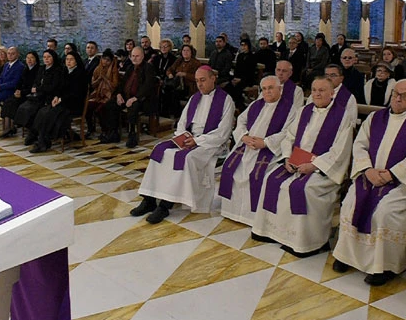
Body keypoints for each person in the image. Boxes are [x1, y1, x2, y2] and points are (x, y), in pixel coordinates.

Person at [333, 80, 406, 285]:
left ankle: (384, 267)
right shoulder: (375, 117)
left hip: (399, 183)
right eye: (396, 93)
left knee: (384, 212)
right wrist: (367, 170)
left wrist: (391, 174)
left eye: (405, 96)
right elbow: (360, 145)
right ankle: (346, 256)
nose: (397, 98)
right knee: (350, 204)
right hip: (368, 177)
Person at [251, 76, 355, 257]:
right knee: (271, 180)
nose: (317, 93)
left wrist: (314, 166)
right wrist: (286, 157)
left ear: (332, 93)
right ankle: (272, 232)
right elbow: (289, 137)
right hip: (295, 162)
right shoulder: (303, 111)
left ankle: (305, 241)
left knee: (304, 189)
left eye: (322, 90)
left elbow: (339, 151)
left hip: (321, 168)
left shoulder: (343, 116)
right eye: (314, 90)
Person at [132, 66, 235, 223]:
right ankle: (149, 199)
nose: (200, 85)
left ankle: (165, 205)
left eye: (203, 80)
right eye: (197, 81)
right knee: (159, 150)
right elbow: (182, 122)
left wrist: (197, 141)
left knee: (183, 158)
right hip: (189, 138)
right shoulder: (195, 98)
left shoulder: (226, 100)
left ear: (213, 78)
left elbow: (223, 132)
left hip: (210, 144)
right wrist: (183, 136)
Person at [218, 75, 296, 225]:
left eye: (271, 88)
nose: (267, 92)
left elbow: (287, 132)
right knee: (231, 167)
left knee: (256, 174)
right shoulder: (256, 104)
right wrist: (244, 136)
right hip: (247, 146)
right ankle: (231, 211)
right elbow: (241, 120)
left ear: (280, 89)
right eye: (264, 89)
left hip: (268, 151)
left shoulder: (289, 109)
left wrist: (265, 142)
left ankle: (252, 217)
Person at [30, 51, 87, 153]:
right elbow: (60, 89)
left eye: (71, 59)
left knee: (50, 113)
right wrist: (56, 97)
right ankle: (42, 139)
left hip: (74, 104)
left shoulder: (80, 74)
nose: (68, 62)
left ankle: (43, 141)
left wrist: (61, 99)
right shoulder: (65, 71)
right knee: (43, 112)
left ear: (77, 61)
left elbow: (76, 93)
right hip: (63, 102)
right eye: (67, 59)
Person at [102, 46, 157, 148]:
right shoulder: (130, 67)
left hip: (143, 99)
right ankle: (113, 133)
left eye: (137, 56)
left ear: (143, 56)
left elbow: (148, 86)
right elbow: (122, 84)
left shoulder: (148, 67)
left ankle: (132, 135)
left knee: (133, 106)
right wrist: (118, 94)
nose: (134, 58)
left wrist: (135, 98)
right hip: (127, 97)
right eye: (133, 56)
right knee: (111, 104)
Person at [16, 49, 63, 144]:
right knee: (24, 108)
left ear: (53, 58)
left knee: (35, 110)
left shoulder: (57, 70)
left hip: (49, 96)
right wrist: (35, 87)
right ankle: (32, 130)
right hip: (38, 95)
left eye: (49, 57)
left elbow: (53, 86)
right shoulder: (42, 68)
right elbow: (36, 81)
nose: (46, 59)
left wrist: (38, 89)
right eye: (44, 57)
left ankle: (34, 133)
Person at [0, 51, 40, 138]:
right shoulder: (25, 69)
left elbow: (33, 87)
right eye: (27, 58)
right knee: (8, 101)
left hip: (30, 95)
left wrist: (21, 92)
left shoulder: (38, 70)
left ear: (36, 59)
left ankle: (14, 126)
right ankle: (8, 127)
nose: (29, 60)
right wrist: (17, 90)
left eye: (31, 58)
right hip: (21, 93)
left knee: (14, 103)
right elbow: (19, 82)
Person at [86, 49, 118, 138]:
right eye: (104, 59)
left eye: (108, 60)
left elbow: (114, 86)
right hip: (97, 94)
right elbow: (93, 84)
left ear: (111, 61)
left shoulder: (114, 71)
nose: (105, 62)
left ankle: (105, 131)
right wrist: (99, 79)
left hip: (109, 96)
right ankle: (90, 128)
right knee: (87, 106)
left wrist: (105, 79)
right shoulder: (97, 68)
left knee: (100, 109)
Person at [225, 37, 258, 110]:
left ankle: (240, 106)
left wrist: (240, 79)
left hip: (247, 79)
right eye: (241, 45)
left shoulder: (252, 56)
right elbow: (237, 69)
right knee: (227, 87)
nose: (243, 47)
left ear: (248, 46)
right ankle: (234, 104)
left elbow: (250, 71)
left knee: (237, 89)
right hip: (237, 78)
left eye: (244, 45)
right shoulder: (240, 56)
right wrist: (235, 78)